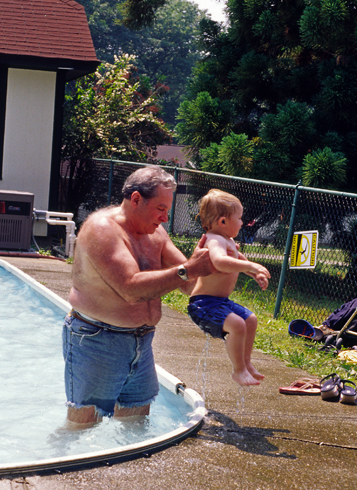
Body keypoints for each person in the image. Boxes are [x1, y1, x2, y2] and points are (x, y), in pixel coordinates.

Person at [63, 166, 216, 429]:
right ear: (136, 199)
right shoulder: (102, 229)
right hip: (97, 339)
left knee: (135, 423)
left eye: (167, 210)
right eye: (160, 208)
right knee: (83, 427)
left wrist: (226, 266)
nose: (165, 217)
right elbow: (131, 289)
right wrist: (189, 268)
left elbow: (191, 283)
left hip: (141, 343)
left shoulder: (155, 233)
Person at [186, 189, 271, 386]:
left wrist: (255, 273)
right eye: (239, 218)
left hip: (220, 302)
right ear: (223, 222)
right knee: (238, 325)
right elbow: (219, 262)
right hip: (203, 305)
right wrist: (251, 266)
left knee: (250, 319)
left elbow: (240, 260)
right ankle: (238, 370)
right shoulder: (214, 239)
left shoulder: (228, 241)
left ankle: (246, 363)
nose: (242, 222)